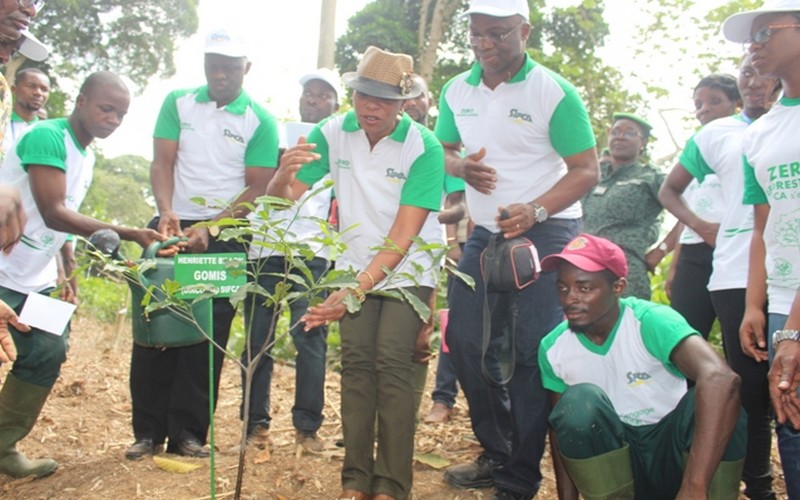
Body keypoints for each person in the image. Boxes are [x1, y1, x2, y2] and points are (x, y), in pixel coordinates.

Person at [435, 1, 599, 498]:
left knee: (532, 351)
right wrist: (460, 168)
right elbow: (441, 150)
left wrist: (536, 210)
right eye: (476, 34)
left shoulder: (552, 91)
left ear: (524, 31)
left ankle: (521, 472)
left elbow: (586, 170)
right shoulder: (455, 89)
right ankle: (498, 449)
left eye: (498, 34)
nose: (485, 44)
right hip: (485, 232)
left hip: (546, 232)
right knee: (464, 341)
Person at [268, 45, 444, 500]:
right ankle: (354, 482)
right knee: (357, 368)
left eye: (384, 99)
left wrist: (352, 294)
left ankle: (391, 485)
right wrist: (279, 178)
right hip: (352, 263)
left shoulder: (422, 147)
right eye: (364, 94)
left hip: (408, 269)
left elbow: (404, 236)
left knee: (391, 363)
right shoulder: (334, 132)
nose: (370, 106)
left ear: (404, 104)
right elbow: (286, 199)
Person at [125, 28, 279, 460]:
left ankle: (189, 434)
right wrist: (166, 209)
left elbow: (258, 188)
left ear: (246, 68)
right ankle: (147, 433)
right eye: (214, 64)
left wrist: (211, 228)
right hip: (171, 225)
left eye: (230, 66)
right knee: (156, 322)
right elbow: (163, 161)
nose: (221, 73)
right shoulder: (178, 102)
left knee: (208, 332)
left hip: (226, 234)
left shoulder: (260, 120)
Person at [0, 71, 163, 479]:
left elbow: (57, 223)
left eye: (121, 114)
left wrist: (67, 270)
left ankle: (2, 444)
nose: (112, 119)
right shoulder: (48, 137)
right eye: (106, 108)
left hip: (35, 277)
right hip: (3, 270)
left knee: (49, 349)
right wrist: (129, 233)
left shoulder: (85, 154)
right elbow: (55, 210)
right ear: (81, 100)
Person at [539, 233, 745, 499]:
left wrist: (694, 486)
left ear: (618, 287)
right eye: (563, 288)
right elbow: (561, 429)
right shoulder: (554, 347)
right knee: (579, 402)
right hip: (614, 464)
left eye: (585, 287)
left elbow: (721, 378)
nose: (570, 299)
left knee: (720, 401)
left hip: (672, 454)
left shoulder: (649, 322)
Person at [658, 55, 779, 500]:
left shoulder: (784, 127)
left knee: (768, 380)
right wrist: (699, 230)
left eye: (761, 71)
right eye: (746, 71)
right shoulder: (717, 134)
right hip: (731, 269)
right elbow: (672, 189)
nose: (755, 80)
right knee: (741, 380)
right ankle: (745, 478)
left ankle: (757, 477)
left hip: (782, 269)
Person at [722, 1, 800, 496]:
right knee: (790, 422)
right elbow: (761, 225)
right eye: (749, 37)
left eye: (765, 31)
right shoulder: (761, 133)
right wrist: (755, 304)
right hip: (781, 303)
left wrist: (794, 326)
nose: (753, 45)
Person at [240, 67, 340, 453]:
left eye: (323, 95)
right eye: (308, 93)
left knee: (310, 341)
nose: (313, 99)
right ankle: (254, 428)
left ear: (335, 103)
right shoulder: (276, 133)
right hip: (265, 248)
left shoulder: (338, 141)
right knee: (257, 341)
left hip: (312, 253)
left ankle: (307, 430)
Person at [401, 73, 466, 425]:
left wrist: (427, 215)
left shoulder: (443, 151)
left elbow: (458, 206)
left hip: (425, 255)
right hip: (378, 251)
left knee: (420, 335)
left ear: (430, 102)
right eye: (405, 96)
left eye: (418, 96)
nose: (411, 102)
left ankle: (419, 409)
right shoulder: (388, 142)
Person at [665, 74, 736, 340]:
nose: (704, 109)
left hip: (734, 251)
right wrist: (675, 266)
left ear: (736, 104)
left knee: (738, 338)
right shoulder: (695, 152)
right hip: (694, 253)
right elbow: (687, 211)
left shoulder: (750, 141)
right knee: (684, 337)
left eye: (714, 101)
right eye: (698, 104)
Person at [581, 112, 673, 301]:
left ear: (643, 143)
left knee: (624, 327)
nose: (620, 136)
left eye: (630, 133)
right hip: (582, 266)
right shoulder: (593, 174)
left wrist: (661, 251)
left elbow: (688, 212)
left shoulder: (650, 177)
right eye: (615, 131)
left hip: (625, 272)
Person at [1, 67, 50, 159]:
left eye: (44, 89)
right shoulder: (2, 121)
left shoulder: (47, 132)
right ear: (14, 89)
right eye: (31, 86)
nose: (38, 93)